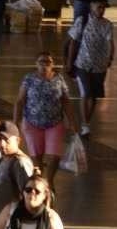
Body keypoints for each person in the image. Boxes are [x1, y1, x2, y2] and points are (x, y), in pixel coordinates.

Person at [13, 52, 77, 190]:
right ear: (36, 64)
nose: (44, 64)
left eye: (47, 62)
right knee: (37, 156)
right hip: (32, 123)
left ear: (52, 65)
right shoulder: (29, 79)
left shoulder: (59, 79)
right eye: (41, 61)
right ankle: (39, 180)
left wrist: (72, 121)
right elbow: (20, 100)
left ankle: (50, 180)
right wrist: (15, 122)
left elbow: (65, 100)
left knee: (55, 155)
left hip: (54, 122)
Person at [66, 0, 113, 139]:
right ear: (91, 7)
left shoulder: (107, 24)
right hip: (83, 63)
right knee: (86, 93)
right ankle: (85, 124)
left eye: (103, 7)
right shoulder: (82, 21)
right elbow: (73, 42)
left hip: (100, 65)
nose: (101, 10)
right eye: (99, 7)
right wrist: (70, 61)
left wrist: (110, 56)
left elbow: (110, 41)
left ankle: (87, 122)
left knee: (94, 95)